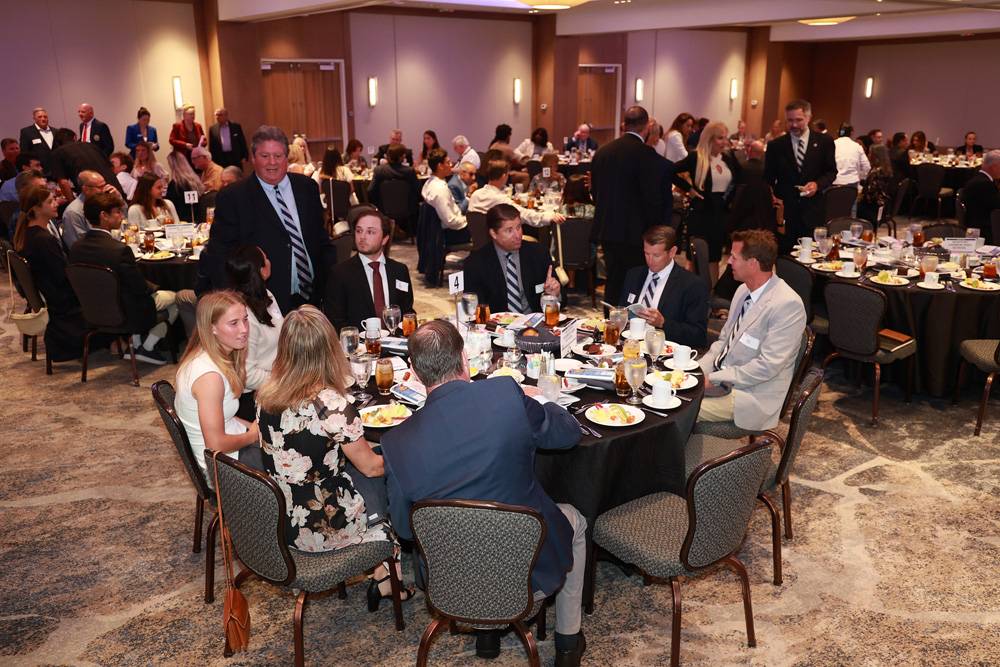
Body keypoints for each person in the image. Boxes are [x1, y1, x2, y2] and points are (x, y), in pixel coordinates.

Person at [381, 320, 586, 666]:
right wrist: (542, 399)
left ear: (414, 372)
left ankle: (486, 637)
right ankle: (568, 643)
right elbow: (568, 434)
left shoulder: (396, 442)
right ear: (465, 357)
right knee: (575, 520)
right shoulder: (505, 395)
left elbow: (405, 529)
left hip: (451, 586)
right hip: (528, 577)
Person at [257, 306, 415, 606]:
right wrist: (411, 455)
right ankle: (388, 571)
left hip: (282, 517)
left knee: (361, 470)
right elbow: (372, 467)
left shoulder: (266, 394)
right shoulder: (332, 407)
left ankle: (382, 575)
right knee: (385, 478)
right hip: (325, 525)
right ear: (329, 348)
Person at [201, 125, 335, 313]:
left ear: (286, 157)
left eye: (278, 156)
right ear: (253, 158)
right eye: (265, 156)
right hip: (263, 303)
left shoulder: (307, 187)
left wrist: (330, 281)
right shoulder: (233, 197)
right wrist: (233, 305)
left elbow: (321, 239)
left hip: (314, 297)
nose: (272, 162)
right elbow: (220, 254)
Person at [697, 230, 806, 431]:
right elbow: (723, 342)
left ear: (753, 263)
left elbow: (767, 367)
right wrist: (696, 373)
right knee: (669, 397)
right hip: (723, 379)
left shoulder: (787, 304)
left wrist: (712, 379)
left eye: (734, 257)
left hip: (753, 395)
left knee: (683, 410)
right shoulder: (743, 291)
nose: (729, 262)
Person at [69, 190, 179, 365]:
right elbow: (139, 288)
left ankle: (135, 344)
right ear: (104, 216)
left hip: (92, 310)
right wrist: (156, 287)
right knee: (177, 297)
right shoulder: (118, 250)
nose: (122, 216)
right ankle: (148, 347)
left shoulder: (76, 247)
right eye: (117, 212)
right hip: (126, 312)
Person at [174, 290, 259, 477]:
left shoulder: (205, 356)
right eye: (234, 323)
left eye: (245, 320)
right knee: (297, 466)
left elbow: (225, 417)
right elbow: (215, 445)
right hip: (221, 468)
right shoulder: (210, 378)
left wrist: (257, 430)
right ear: (211, 327)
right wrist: (252, 436)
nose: (244, 329)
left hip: (229, 451)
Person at [591, 105, 668, 306]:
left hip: (608, 229)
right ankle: (631, 321)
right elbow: (654, 201)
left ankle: (610, 320)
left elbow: (595, 193)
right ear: (647, 127)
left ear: (624, 125)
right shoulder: (649, 156)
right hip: (638, 232)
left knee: (613, 279)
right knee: (635, 282)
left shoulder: (603, 152)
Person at [12, 184, 87, 361]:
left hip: (51, 294)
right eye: (50, 201)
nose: (56, 203)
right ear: (36, 209)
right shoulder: (43, 240)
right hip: (62, 301)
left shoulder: (29, 233)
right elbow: (62, 276)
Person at [672, 121, 741, 283]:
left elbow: (739, 179)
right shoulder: (696, 157)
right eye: (720, 138)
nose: (724, 141)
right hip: (701, 214)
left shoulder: (728, 158)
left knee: (714, 258)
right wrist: (689, 189)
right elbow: (670, 171)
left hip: (720, 215)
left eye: (725, 137)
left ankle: (712, 295)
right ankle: (691, 294)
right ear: (709, 139)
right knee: (696, 259)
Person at [763, 99, 837, 250]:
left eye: (798, 120)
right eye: (790, 120)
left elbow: (831, 172)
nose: (794, 125)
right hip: (785, 213)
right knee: (784, 254)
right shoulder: (776, 146)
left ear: (808, 118)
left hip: (813, 211)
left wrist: (817, 184)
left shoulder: (825, 142)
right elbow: (768, 178)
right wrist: (772, 197)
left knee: (811, 254)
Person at [618, 226, 708, 348]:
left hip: (664, 351)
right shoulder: (633, 275)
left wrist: (663, 323)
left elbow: (698, 336)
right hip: (630, 347)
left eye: (656, 255)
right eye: (646, 253)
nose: (650, 261)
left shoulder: (692, 285)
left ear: (672, 252)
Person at [324, 209, 414, 331]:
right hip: (359, 341)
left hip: (396, 339)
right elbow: (335, 321)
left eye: (370, 232)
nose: (362, 237)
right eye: (359, 231)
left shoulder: (399, 271)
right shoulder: (339, 274)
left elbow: (407, 312)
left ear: (384, 239)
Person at [463, 203, 560, 314]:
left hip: (534, 320)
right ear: (494, 233)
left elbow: (560, 297)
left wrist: (554, 295)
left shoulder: (538, 253)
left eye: (518, 227)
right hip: (497, 322)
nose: (518, 235)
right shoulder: (476, 263)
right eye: (509, 230)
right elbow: (474, 308)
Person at [225, 245, 283, 392]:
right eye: (266, 258)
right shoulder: (244, 317)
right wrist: (286, 382)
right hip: (258, 392)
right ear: (262, 270)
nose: (269, 261)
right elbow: (248, 376)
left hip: (277, 377)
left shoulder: (266, 295)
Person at [468, 159, 565, 228]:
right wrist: (550, 216)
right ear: (504, 176)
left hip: (480, 243)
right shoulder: (499, 199)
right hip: (501, 244)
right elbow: (525, 215)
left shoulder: (475, 195)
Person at [48, 128, 123, 202]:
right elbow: (111, 168)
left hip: (96, 197)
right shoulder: (91, 145)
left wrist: (72, 202)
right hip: (116, 190)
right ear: (74, 137)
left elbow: (63, 182)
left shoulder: (57, 153)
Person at [420, 148, 469, 244]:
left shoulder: (428, 183)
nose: (451, 165)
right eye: (448, 162)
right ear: (440, 166)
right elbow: (450, 221)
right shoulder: (440, 189)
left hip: (438, 230)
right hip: (448, 234)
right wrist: (468, 220)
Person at [62, 169, 120, 250]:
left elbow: (123, 223)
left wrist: (118, 199)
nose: (105, 189)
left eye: (105, 185)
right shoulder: (73, 212)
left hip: (111, 248)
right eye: (100, 187)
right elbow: (79, 247)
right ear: (85, 189)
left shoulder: (102, 202)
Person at [367, 144, 420, 222]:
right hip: (407, 212)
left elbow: (370, 190)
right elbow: (418, 190)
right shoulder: (409, 171)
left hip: (384, 211)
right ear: (402, 157)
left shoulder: (379, 170)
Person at [962, 150, 1000, 244]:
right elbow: (997, 206)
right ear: (994, 167)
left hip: (974, 225)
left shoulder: (978, 178)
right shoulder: (985, 184)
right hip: (984, 231)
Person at [859, 144, 896, 226]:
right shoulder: (887, 171)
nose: (868, 155)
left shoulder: (875, 173)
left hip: (873, 210)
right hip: (885, 207)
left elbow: (870, 196)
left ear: (875, 156)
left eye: (870, 153)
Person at [165, 150, 205, 218]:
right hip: (198, 216)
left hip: (182, 219)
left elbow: (170, 204)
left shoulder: (175, 184)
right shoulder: (195, 180)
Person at [833, 124, 871, 193]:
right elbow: (867, 167)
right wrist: (859, 176)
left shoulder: (832, 144)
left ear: (838, 132)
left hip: (834, 183)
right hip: (852, 184)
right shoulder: (857, 146)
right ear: (851, 133)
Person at [19, 107, 56, 175]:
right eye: (40, 117)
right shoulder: (27, 132)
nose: (43, 119)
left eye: (45, 117)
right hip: (39, 171)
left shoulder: (55, 131)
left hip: (57, 169)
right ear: (34, 118)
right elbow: (24, 152)